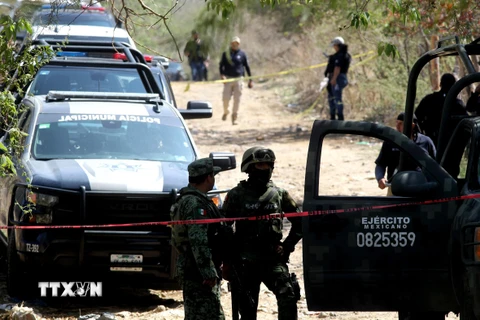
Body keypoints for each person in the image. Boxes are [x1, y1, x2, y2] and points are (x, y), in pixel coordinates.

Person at [222, 147, 302, 320]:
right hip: (245, 261)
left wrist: (287, 246)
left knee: (288, 296)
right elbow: (223, 229)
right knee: (247, 309)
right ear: (249, 168)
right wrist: (227, 262)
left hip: (272, 259)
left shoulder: (279, 194)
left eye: (268, 165)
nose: (265, 168)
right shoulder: (236, 195)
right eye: (260, 165)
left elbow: (300, 223)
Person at [170, 158, 228, 320]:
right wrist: (207, 271)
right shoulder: (195, 203)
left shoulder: (190, 199)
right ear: (208, 177)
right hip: (197, 271)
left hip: (193, 267)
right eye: (213, 175)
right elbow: (198, 239)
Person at [375, 112, 436, 195]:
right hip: (395, 188)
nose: (397, 127)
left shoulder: (426, 142)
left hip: (421, 189)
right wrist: (380, 178)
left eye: (400, 124)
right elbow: (380, 164)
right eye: (396, 123)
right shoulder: (390, 142)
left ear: (412, 125)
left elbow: (436, 165)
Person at [415, 73, 467, 146]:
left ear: (440, 84)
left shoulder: (429, 100)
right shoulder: (457, 104)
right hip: (450, 144)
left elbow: (416, 117)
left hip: (433, 141)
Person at [219, 36, 253, 125]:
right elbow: (221, 66)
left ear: (239, 44)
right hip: (228, 79)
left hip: (239, 79)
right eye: (233, 43)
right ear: (231, 44)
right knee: (225, 98)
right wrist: (222, 75)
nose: (235, 45)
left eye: (236, 43)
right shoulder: (226, 54)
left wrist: (250, 80)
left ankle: (234, 116)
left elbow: (247, 66)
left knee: (237, 99)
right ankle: (226, 112)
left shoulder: (242, 54)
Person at [324, 36, 351, 121]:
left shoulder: (341, 55)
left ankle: (340, 118)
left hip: (337, 78)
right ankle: (333, 117)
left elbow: (337, 68)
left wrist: (334, 79)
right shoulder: (342, 55)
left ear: (337, 45)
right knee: (332, 97)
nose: (333, 47)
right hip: (337, 78)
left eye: (334, 45)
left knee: (337, 98)